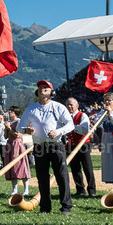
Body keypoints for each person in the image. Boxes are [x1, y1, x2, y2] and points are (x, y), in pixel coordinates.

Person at [19, 80, 74, 214]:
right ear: (37, 92)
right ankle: (45, 207)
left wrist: (58, 131)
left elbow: (70, 125)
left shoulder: (58, 107)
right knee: (42, 178)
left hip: (56, 145)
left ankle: (66, 206)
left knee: (62, 176)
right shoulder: (31, 109)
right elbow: (19, 127)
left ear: (51, 92)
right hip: (39, 146)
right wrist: (26, 130)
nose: (42, 89)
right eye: (40, 87)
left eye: (46, 88)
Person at [65, 97, 96, 198]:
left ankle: (92, 190)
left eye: (71, 105)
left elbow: (85, 130)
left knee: (87, 168)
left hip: (83, 145)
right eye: (68, 105)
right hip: (71, 145)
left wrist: (72, 127)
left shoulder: (83, 116)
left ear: (77, 106)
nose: (69, 107)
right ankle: (80, 189)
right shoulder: (66, 117)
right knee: (75, 168)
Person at [3, 106, 30, 197]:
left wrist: (9, 128)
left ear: (15, 113)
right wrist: (7, 128)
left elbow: (17, 135)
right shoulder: (9, 123)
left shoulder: (19, 122)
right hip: (9, 145)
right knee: (12, 167)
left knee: (21, 165)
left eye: (11, 111)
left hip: (17, 145)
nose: (9, 113)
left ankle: (26, 189)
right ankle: (15, 189)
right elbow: (6, 136)